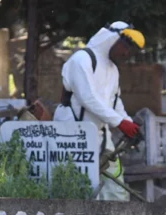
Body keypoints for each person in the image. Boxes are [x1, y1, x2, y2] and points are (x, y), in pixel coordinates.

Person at [54, 22, 144, 201]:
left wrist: (129, 124)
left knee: (116, 193)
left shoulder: (113, 70)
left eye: (130, 51)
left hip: (102, 139)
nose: (126, 53)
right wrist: (119, 123)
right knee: (77, 194)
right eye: (125, 46)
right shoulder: (82, 59)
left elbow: (115, 104)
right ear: (111, 39)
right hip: (72, 138)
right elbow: (87, 98)